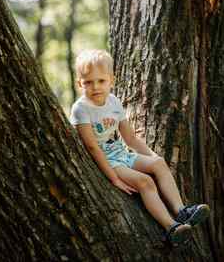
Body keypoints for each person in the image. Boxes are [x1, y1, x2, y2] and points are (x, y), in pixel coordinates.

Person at [70, 49, 210, 247]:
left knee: (159, 164)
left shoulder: (114, 102)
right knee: (145, 182)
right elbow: (92, 147)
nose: (95, 87)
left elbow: (130, 138)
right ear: (79, 84)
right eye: (88, 82)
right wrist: (114, 178)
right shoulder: (81, 109)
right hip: (107, 161)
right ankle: (171, 227)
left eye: (101, 81)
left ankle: (181, 211)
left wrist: (153, 158)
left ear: (111, 80)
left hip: (121, 154)